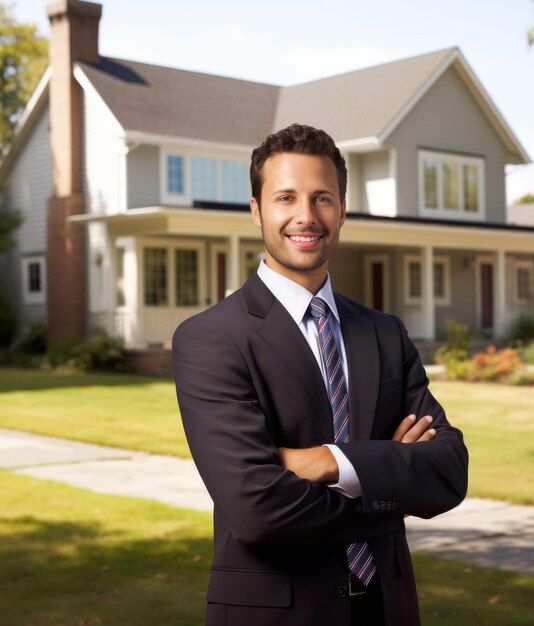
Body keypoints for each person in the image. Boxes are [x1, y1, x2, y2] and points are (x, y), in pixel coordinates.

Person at [172, 123, 468, 626]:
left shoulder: (385, 333)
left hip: (388, 610)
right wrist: (387, 481)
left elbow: (448, 471)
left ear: (343, 210)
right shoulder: (212, 338)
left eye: (323, 198)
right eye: (286, 197)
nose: (306, 216)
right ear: (256, 210)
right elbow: (257, 508)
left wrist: (330, 463)